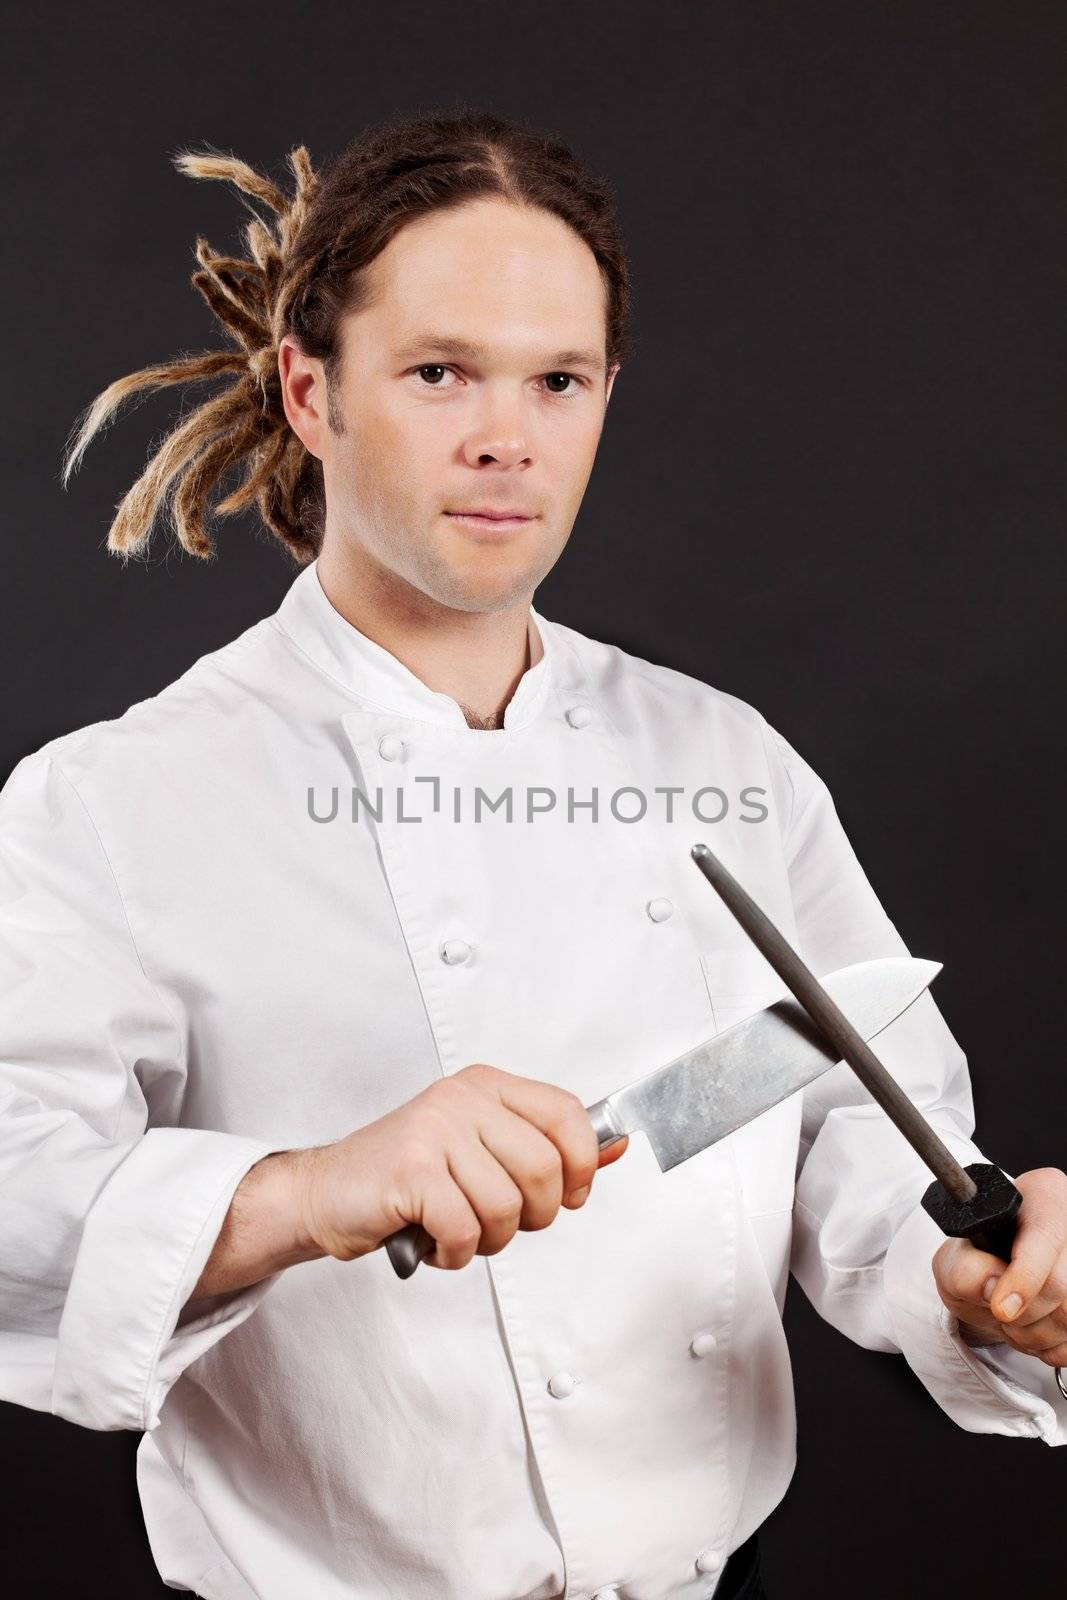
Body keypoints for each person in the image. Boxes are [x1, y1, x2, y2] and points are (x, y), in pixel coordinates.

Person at [1, 108, 1064, 1600]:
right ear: (312, 392)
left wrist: (977, 1266)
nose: (507, 435)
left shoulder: (721, 763)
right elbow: (13, 1214)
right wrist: (306, 1191)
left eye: (556, 380)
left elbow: (869, 1146)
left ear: (605, 397)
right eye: (439, 373)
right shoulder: (118, 802)